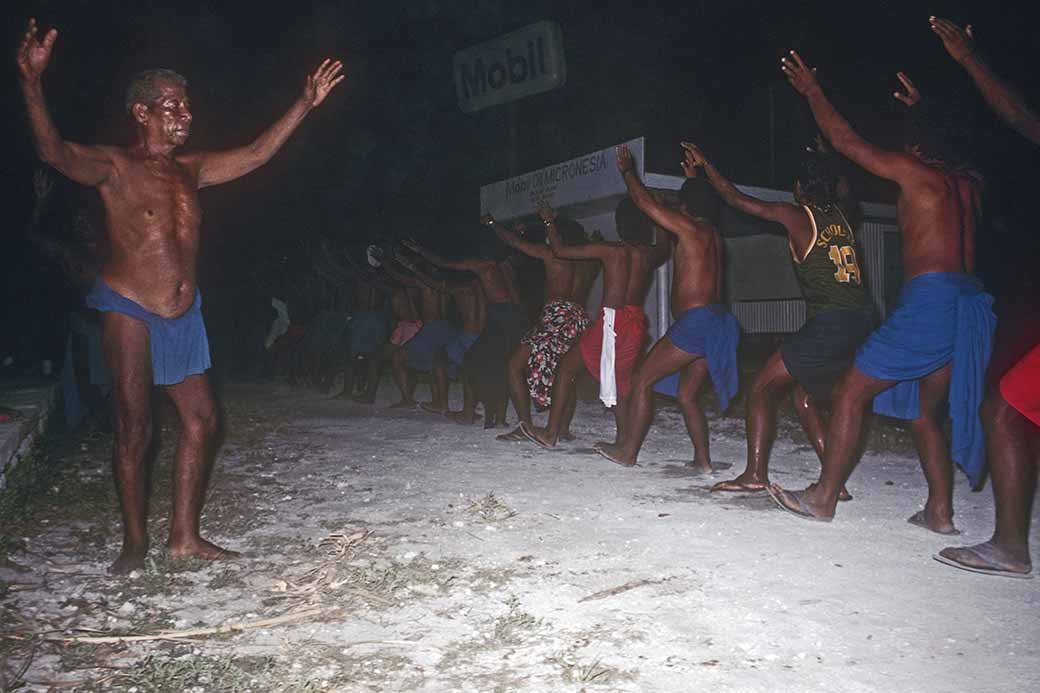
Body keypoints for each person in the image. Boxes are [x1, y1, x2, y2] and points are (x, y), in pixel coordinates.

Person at [17, 18, 344, 573]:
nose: (186, 115)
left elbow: (260, 153)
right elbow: (53, 152)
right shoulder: (113, 166)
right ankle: (135, 543)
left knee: (201, 421)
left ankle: (183, 537)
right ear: (141, 113)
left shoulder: (193, 170)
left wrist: (305, 102)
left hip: (182, 312)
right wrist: (30, 81)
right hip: (129, 306)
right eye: (172, 106)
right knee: (135, 427)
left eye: (187, 106)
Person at [767, 49, 995, 534]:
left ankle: (823, 498)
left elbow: (845, 141)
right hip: (968, 302)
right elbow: (946, 134)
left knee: (851, 391)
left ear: (918, 144)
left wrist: (812, 92)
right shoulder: (968, 185)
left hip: (930, 300)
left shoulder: (918, 176)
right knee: (923, 412)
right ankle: (939, 512)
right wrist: (921, 111)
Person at [687, 141, 872, 496]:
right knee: (803, 398)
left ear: (799, 188)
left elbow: (735, 198)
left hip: (831, 322)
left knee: (760, 389)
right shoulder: (844, 215)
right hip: (861, 320)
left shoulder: (797, 215)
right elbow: (846, 188)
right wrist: (828, 159)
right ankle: (837, 484)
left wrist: (706, 165)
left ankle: (755, 474)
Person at [928, 16, 1039, 577]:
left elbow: (1021, 117)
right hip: (980, 294)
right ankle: (1008, 544)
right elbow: (1019, 118)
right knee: (1005, 403)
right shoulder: (970, 184)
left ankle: (1011, 546)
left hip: (944, 293)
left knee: (1003, 405)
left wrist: (969, 59)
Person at [593, 144, 738, 470]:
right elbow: (698, 199)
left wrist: (627, 171)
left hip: (697, 322)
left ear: (686, 208)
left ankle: (627, 452)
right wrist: (693, 177)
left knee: (643, 379)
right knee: (687, 395)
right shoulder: (712, 233)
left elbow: (643, 203)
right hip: (717, 320)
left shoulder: (687, 229)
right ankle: (702, 460)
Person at [520, 167, 671, 449]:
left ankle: (551, 433)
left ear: (621, 224)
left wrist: (550, 224)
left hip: (611, 322)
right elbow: (664, 246)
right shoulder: (648, 255)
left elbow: (561, 251)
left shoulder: (611, 251)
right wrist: (659, 214)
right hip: (636, 323)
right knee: (621, 383)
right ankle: (623, 442)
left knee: (566, 369)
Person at [487, 215, 595, 442]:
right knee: (566, 372)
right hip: (578, 319)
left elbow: (514, 243)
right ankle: (562, 428)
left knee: (514, 365)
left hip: (557, 317)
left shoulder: (552, 254)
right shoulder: (589, 260)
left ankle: (525, 425)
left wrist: (492, 224)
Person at [403, 234, 525, 428]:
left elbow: (446, 264)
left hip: (499, 320)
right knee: (498, 368)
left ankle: (468, 414)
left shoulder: (481, 269)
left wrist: (418, 253)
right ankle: (499, 420)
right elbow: (517, 300)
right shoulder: (506, 269)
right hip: (512, 319)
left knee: (471, 365)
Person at [381, 255, 455, 409]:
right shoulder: (448, 286)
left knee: (397, 357)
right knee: (435, 362)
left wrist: (385, 263)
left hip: (431, 329)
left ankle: (407, 399)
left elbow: (401, 278)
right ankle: (438, 401)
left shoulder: (426, 285)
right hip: (447, 328)